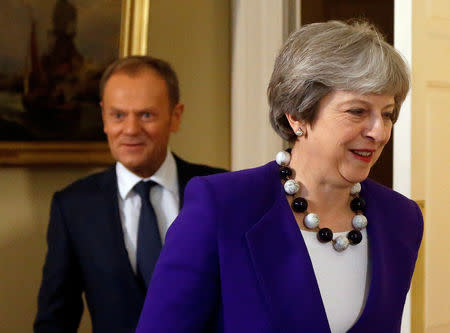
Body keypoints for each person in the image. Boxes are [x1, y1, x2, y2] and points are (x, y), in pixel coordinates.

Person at [136, 21, 423, 333]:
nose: (378, 132)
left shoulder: (401, 219)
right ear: (297, 115)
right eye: (357, 111)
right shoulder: (223, 207)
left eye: (387, 114)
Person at [34, 56, 226, 332]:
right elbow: (55, 320)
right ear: (103, 117)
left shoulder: (220, 189)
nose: (131, 130)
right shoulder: (73, 207)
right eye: (118, 115)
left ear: (176, 116)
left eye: (146, 115)